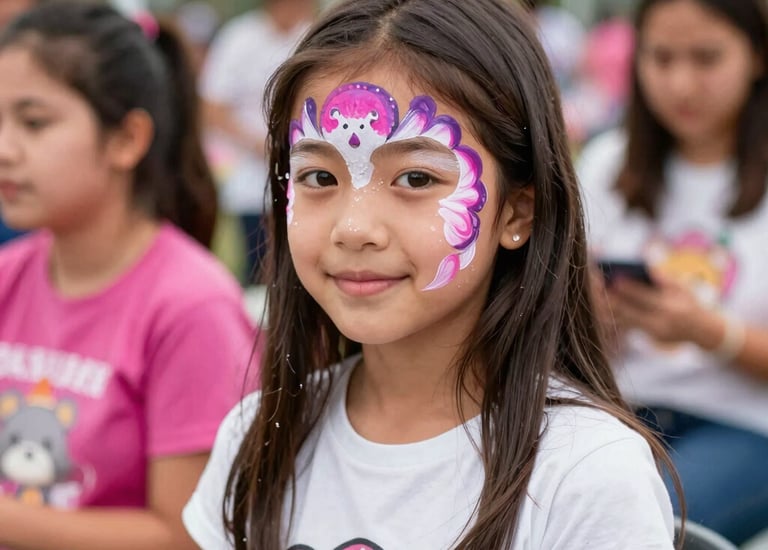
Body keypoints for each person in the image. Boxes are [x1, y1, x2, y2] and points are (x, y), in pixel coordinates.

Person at [183, 0, 678, 548]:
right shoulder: (257, 435)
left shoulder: (588, 475)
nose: (354, 228)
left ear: (516, 213)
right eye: (319, 176)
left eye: (416, 179)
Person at [0, 3, 256, 549]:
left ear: (127, 139)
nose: (4, 148)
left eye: (33, 122)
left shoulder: (191, 307)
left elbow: (187, 536)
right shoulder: (9, 275)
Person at [578, 0, 768, 544]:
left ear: (756, 55)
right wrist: (593, 311)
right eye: (660, 58)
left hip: (745, 427)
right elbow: (574, 339)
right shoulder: (608, 163)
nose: (681, 84)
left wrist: (707, 331)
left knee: (638, 514)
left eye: (706, 58)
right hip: (621, 412)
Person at [199, 0, 315, 285]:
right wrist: (259, 145)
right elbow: (212, 106)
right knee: (258, 268)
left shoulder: (316, 35)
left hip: (308, 176)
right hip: (251, 182)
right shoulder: (239, 38)